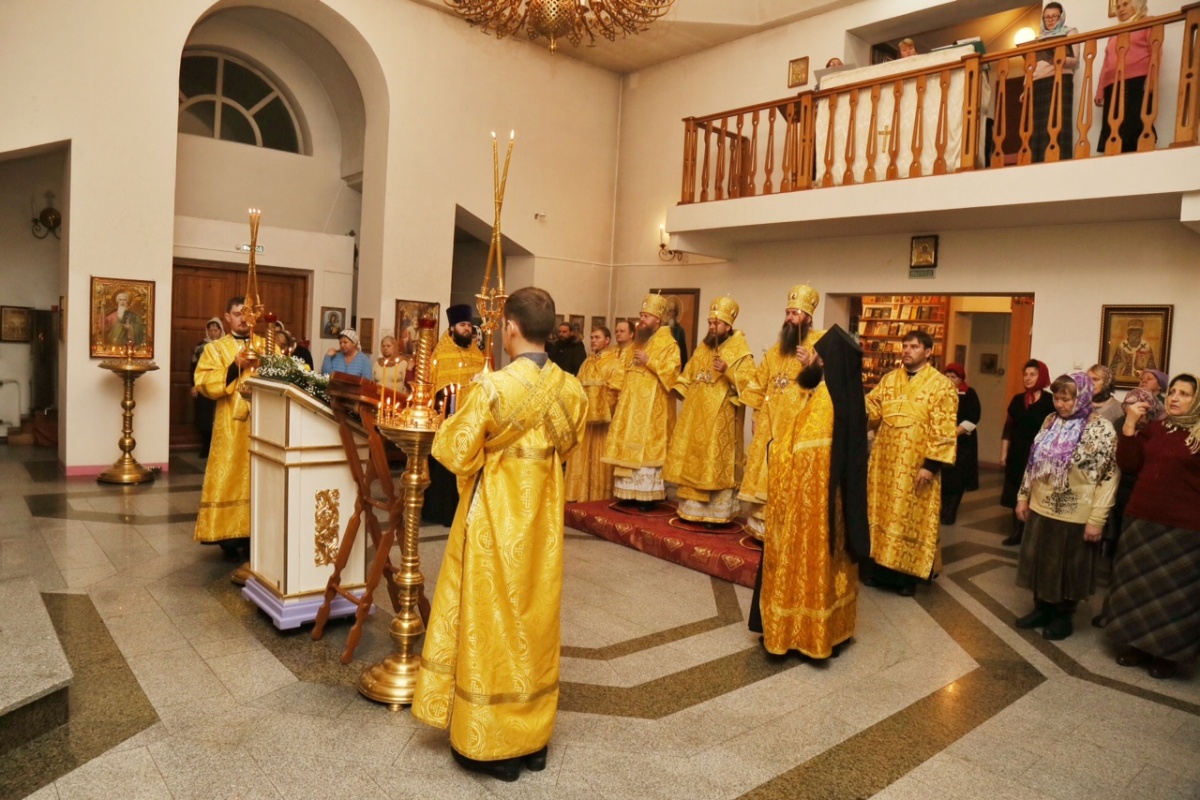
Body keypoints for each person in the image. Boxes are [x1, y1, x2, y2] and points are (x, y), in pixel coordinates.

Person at [412, 287, 587, 783]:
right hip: (543, 528)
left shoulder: (492, 388)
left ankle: (489, 741)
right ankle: (533, 739)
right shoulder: (571, 389)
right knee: (534, 618)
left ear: (509, 327)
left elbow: (452, 452)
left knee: (492, 621)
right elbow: (570, 444)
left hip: (495, 521)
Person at [752, 325, 870, 659]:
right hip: (832, 503)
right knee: (833, 567)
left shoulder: (826, 401)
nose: (810, 359)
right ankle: (832, 631)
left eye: (816, 354)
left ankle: (800, 633)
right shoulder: (842, 395)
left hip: (811, 507)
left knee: (805, 567)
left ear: (826, 360)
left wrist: (774, 450)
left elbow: (808, 457)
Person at [1106, 374, 1200, 679]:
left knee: (1174, 594)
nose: (1174, 398)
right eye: (1172, 392)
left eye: (1184, 393)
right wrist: (1130, 426)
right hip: (1141, 519)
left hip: (1184, 528)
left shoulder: (1198, 434)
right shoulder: (1157, 429)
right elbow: (1129, 463)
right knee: (1137, 589)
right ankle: (1136, 645)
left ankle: (1166, 655)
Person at [1014, 372, 1118, 640]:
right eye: (1057, 398)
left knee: (1069, 565)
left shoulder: (1101, 428)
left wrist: (1097, 519)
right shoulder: (1050, 421)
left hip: (1076, 511)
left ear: (1082, 397)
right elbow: (1033, 461)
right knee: (1041, 560)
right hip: (1042, 505)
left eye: (1066, 399)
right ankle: (1042, 608)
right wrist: (1023, 496)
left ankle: (1063, 615)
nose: (1059, 404)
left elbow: (1108, 477)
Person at [863, 330, 958, 597]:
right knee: (882, 514)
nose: (907, 350)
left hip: (917, 465)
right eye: (904, 346)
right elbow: (872, 410)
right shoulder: (889, 379)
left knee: (911, 518)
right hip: (885, 464)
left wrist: (931, 465)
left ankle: (907, 577)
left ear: (928, 352)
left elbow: (944, 429)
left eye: (914, 347)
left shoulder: (941, 386)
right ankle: (880, 570)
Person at [739, 284, 824, 538]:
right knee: (764, 471)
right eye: (787, 312)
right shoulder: (778, 348)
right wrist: (755, 416)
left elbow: (827, 387)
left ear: (808, 317)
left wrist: (810, 365)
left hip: (798, 423)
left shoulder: (819, 344)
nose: (789, 318)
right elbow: (759, 383)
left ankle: (784, 534)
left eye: (795, 313)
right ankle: (761, 529)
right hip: (769, 422)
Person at [662, 297, 756, 525]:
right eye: (710, 323)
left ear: (728, 326)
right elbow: (689, 372)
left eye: (716, 324)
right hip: (696, 413)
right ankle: (691, 509)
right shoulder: (703, 347)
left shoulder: (740, 351)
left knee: (712, 462)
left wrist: (727, 371)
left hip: (721, 417)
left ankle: (715, 514)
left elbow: (750, 384)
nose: (712, 327)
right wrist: (678, 387)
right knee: (693, 458)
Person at [193, 296, 264, 579]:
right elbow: (204, 383)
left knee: (260, 477)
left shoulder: (266, 345)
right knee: (230, 475)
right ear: (227, 317)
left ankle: (257, 535)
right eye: (237, 314)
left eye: (248, 314)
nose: (243, 319)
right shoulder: (215, 348)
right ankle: (229, 539)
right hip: (231, 426)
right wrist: (235, 365)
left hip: (264, 423)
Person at [602, 293, 681, 510]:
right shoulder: (637, 343)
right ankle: (627, 492)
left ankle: (647, 496)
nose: (641, 321)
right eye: (641, 315)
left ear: (658, 319)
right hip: (631, 405)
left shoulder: (670, 345)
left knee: (647, 450)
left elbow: (673, 375)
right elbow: (624, 370)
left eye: (646, 316)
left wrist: (650, 361)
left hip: (652, 409)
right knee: (628, 447)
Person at [424, 304, 487, 526]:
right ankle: (442, 512)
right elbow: (434, 387)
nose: (467, 329)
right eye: (462, 325)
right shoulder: (441, 354)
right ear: (452, 328)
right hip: (447, 419)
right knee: (446, 469)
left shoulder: (477, 354)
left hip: (471, 421)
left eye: (469, 325)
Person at [564, 326, 624, 502]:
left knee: (599, 457)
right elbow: (578, 386)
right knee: (581, 457)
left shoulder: (615, 363)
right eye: (591, 337)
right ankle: (579, 494)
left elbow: (616, 390)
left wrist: (598, 409)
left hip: (602, 424)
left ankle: (598, 496)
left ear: (607, 340)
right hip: (585, 422)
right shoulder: (587, 362)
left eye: (597, 337)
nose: (593, 341)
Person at [1000, 360, 1055, 546]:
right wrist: (1004, 452)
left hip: (1039, 455)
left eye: (1033, 374)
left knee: (1036, 493)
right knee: (1016, 491)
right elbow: (1008, 428)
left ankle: (1033, 534)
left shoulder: (1050, 401)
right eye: (1025, 374)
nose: (1028, 378)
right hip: (1017, 453)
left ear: (1042, 376)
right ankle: (1017, 531)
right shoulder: (1017, 400)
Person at [1096, 0, 1155, 154]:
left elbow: (1156, 54)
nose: (1121, 9)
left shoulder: (1148, 22)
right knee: (1113, 130)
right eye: (1118, 7)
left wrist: (1152, 81)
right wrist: (1100, 90)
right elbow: (1106, 63)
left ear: (1136, 4)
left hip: (1136, 82)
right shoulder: (1115, 32)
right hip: (1111, 85)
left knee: (1134, 125)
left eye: (1125, 4)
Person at [1030, 3, 1079, 163]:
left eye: (1054, 16)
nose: (1050, 20)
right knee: (1037, 126)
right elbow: (1030, 67)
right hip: (1038, 84)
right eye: (1047, 17)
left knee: (1058, 121)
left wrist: (1059, 58)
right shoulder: (1038, 39)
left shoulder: (1069, 32)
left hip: (1060, 80)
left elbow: (1074, 60)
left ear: (1061, 17)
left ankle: (1059, 159)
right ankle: (1037, 161)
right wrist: (1026, 88)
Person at [940, 363, 981, 525]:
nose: (950, 379)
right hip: (943, 441)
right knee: (944, 477)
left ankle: (950, 512)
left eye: (953, 377)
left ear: (960, 379)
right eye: (947, 376)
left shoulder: (969, 394)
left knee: (957, 478)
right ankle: (942, 509)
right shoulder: (939, 393)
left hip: (963, 442)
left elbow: (974, 417)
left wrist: (954, 433)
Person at [191, 317, 224, 458]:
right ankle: (206, 446)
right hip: (204, 386)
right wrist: (194, 385)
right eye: (210, 330)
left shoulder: (225, 346)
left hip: (221, 386)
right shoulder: (201, 347)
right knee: (204, 418)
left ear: (221, 330)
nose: (213, 333)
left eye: (216, 330)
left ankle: (219, 448)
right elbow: (194, 367)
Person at [664, 295, 690, 367]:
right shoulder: (662, 329)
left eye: (674, 311)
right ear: (667, 312)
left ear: (676, 313)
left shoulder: (680, 330)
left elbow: (683, 353)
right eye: (670, 311)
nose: (672, 314)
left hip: (676, 364)